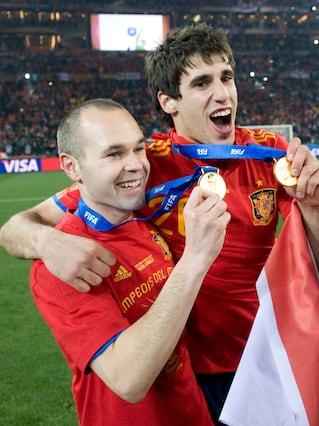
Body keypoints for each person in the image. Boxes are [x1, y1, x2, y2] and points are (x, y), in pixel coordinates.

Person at [0, 23, 319, 423]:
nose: (223, 93)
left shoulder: (269, 153)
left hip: (261, 352)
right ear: (169, 101)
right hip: (181, 364)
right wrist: (46, 243)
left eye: (226, 77)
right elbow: (19, 225)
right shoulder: (145, 165)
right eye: (201, 83)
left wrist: (315, 207)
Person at [28, 98, 230, 425]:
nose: (136, 164)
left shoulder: (141, 217)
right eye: (114, 154)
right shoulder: (62, 264)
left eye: (138, 149)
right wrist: (195, 258)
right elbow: (129, 379)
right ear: (71, 167)